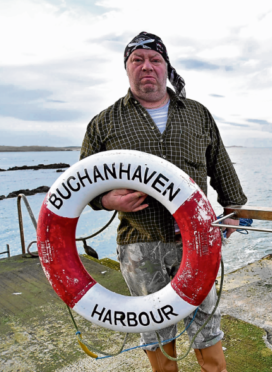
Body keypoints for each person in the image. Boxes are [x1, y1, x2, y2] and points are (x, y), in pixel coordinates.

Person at [80, 31, 247, 372]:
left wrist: (234, 210)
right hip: (140, 244)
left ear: (166, 68)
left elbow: (220, 164)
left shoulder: (197, 114)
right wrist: (109, 199)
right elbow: (85, 186)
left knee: (206, 327)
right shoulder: (104, 122)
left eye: (155, 60)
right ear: (126, 69)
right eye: (137, 60)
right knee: (155, 333)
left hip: (196, 242)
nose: (147, 67)